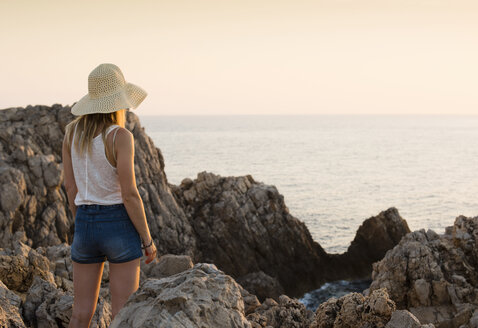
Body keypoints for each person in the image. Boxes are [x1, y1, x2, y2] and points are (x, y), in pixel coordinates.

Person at [62, 63, 157, 327]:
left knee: (80, 314)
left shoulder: (71, 134)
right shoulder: (120, 136)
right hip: (118, 225)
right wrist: (147, 240)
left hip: (84, 223)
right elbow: (129, 194)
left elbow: (71, 188)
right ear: (118, 102)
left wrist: (82, 222)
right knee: (123, 316)